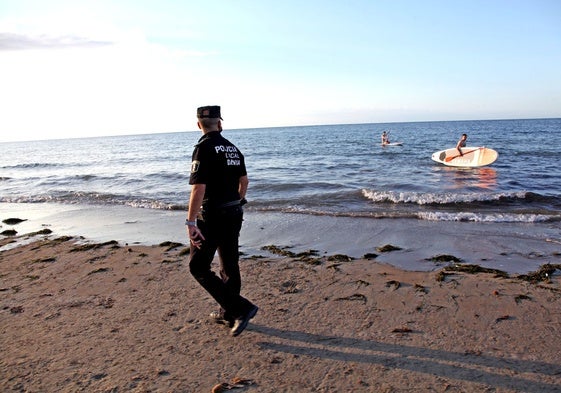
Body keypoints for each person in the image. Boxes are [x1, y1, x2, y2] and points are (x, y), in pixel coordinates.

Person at [186, 105, 258, 337]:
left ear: (199, 125)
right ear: (220, 123)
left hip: (212, 215)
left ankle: (240, 308)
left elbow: (199, 188)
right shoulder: (233, 149)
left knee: (198, 266)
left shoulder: (203, 148)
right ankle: (228, 313)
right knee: (229, 263)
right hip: (234, 213)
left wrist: (190, 222)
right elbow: (244, 181)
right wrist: (237, 201)